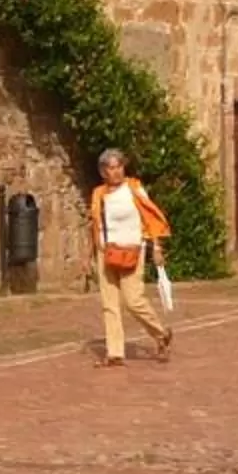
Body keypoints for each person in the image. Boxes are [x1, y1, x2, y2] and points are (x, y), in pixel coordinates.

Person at [87, 148, 172, 367]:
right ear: (103, 172)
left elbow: (150, 218)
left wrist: (156, 247)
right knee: (110, 304)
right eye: (110, 168)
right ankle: (115, 353)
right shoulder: (98, 194)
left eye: (118, 167)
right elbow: (95, 225)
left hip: (133, 249)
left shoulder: (134, 189)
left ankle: (160, 333)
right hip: (106, 251)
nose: (115, 172)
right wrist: (90, 254)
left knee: (133, 300)